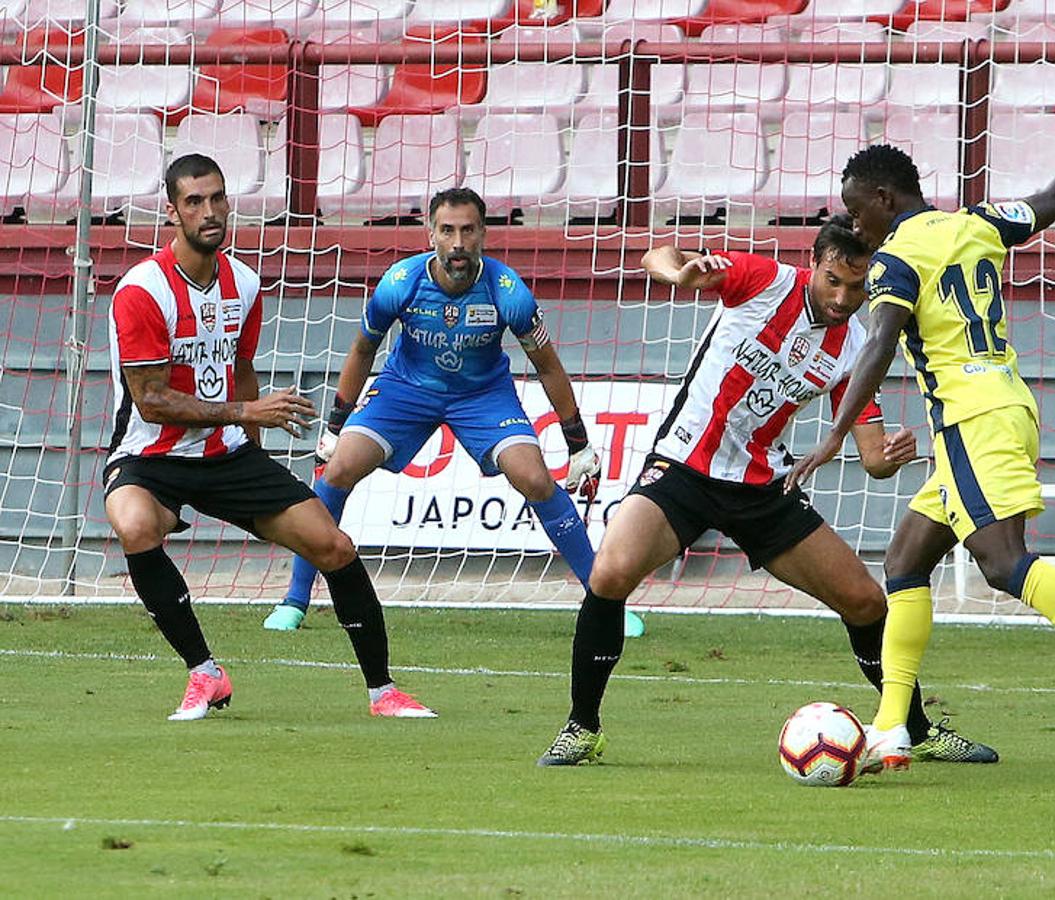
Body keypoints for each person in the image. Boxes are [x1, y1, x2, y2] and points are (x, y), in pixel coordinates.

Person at [787, 113, 1055, 765]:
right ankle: (894, 724)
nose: (857, 230)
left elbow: (881, 341)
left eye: (858, 215)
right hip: (1001, 407)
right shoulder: (975, 222)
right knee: (906, 562)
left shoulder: (896, 259)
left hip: (972, 418)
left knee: (1002, 565)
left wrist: (834, 435)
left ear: (885, 199)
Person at [537, 216, 998, 766]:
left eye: (857, 286)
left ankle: (917, 731)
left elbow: (871, 455)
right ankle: (581, 727)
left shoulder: (859, 344)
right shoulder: (763, 280)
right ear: (816, 263)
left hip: (762, 487)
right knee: (610, 573)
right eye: (833, 281)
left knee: (866, 601)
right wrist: (681, 273)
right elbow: (657, 254)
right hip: (684, 466)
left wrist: (888, 457)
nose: (843, 297)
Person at [105, 154, 433, 720]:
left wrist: (256, 468)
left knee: (333, 545)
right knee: (136, 526)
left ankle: (384, 693)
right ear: (171, 212)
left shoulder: (246, 283)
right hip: (147, 455)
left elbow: (243, 366)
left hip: (226, 453)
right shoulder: (142, 291)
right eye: (193, 202)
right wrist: (247, 410)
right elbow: (151, 401)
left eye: (217, 198)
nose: (209, 212)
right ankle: (203, 673)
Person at [262, 187, 602, 631]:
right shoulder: (400, 283)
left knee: (535, 478)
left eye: (467, 231)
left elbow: (549, 368)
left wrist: (577, 446)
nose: (457, 243)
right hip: (406, 390)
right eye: (447, 230)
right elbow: (363, 350)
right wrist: (335, 427)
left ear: (483, 234)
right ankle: (295, 599)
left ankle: (603, 597)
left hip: (482, 395)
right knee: (339, 467)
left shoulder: (508, 292)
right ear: (430, 234)